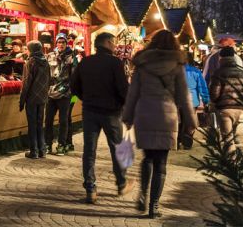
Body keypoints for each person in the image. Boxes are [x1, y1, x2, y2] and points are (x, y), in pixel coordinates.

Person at [122, 30, 197, 219]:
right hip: (167, 115)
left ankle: (143, 195)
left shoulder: (142, 64)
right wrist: (190, 121)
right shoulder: (177, 65)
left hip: (145, 113)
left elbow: (133, 93)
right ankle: (154, 205)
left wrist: (128, 117)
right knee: (161, 163)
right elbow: (184, 96)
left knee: (147, 158)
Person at [70, 32, 132, 203]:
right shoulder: (114, 63)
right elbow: (122, 88)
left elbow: (73, 86)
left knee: (89, 151)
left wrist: (86, 98)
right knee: (118, 149)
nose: (115, 45)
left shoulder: (86, 62)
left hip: (90, 111)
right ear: (108, 43)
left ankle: (90, 188)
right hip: (111, 113)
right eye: (114, 42)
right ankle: (121, 184)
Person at [209, 46, 243, 154]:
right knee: (231, 134)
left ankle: (231, 162)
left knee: (227, 137)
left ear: (221, 58)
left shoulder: (219, 72)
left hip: (224, 108)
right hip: (238, 107)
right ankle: (228, 157)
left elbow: (214, 93)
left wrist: (213, 101)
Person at [45, 34, 77, 155]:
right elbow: (47, 73)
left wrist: (72, 92)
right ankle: (47, 144)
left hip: (66, 93)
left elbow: (74, 75)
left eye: (63, 42)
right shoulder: (50, 55)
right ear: (56, 43)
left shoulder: (72, 56)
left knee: (64, 120)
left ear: (66, 43)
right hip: (51, 92)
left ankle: (62, 144)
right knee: (48, 120)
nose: (61, 44)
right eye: (59, 42)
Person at [19, 40, 51, 159]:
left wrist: (22, 101)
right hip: (42, 98)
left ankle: (34, 151)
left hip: (32, 98)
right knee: (39, 124)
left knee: (32, 125)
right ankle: (42, 150)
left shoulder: (30, 62)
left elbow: (26, 83)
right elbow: (49, 80)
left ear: (31, 49)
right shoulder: (45, 62)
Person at [181, 57, 210, 147]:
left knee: (180, 120)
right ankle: (188, 142)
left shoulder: (175, 71)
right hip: (192, 100)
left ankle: (178, 140)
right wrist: (206, 100)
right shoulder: (196, 71)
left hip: (178, 99)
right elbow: (202, 87)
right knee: (190, 121)